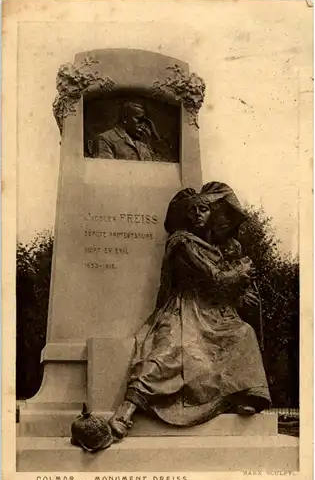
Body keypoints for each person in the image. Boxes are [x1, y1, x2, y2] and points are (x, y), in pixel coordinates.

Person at [109, 182, 271, 439]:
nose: (197, 214)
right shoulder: (182, 244)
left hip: (212, 313)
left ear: (212, 215)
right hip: (183, 309)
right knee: (166, 352)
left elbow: (221, 291)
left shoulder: (221, 248)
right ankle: (125, 412)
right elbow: (213, 278)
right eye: (192, 210)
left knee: (243, 332)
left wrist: (242, 297)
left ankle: (238, 396)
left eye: (203, 209)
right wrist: (240, 272)